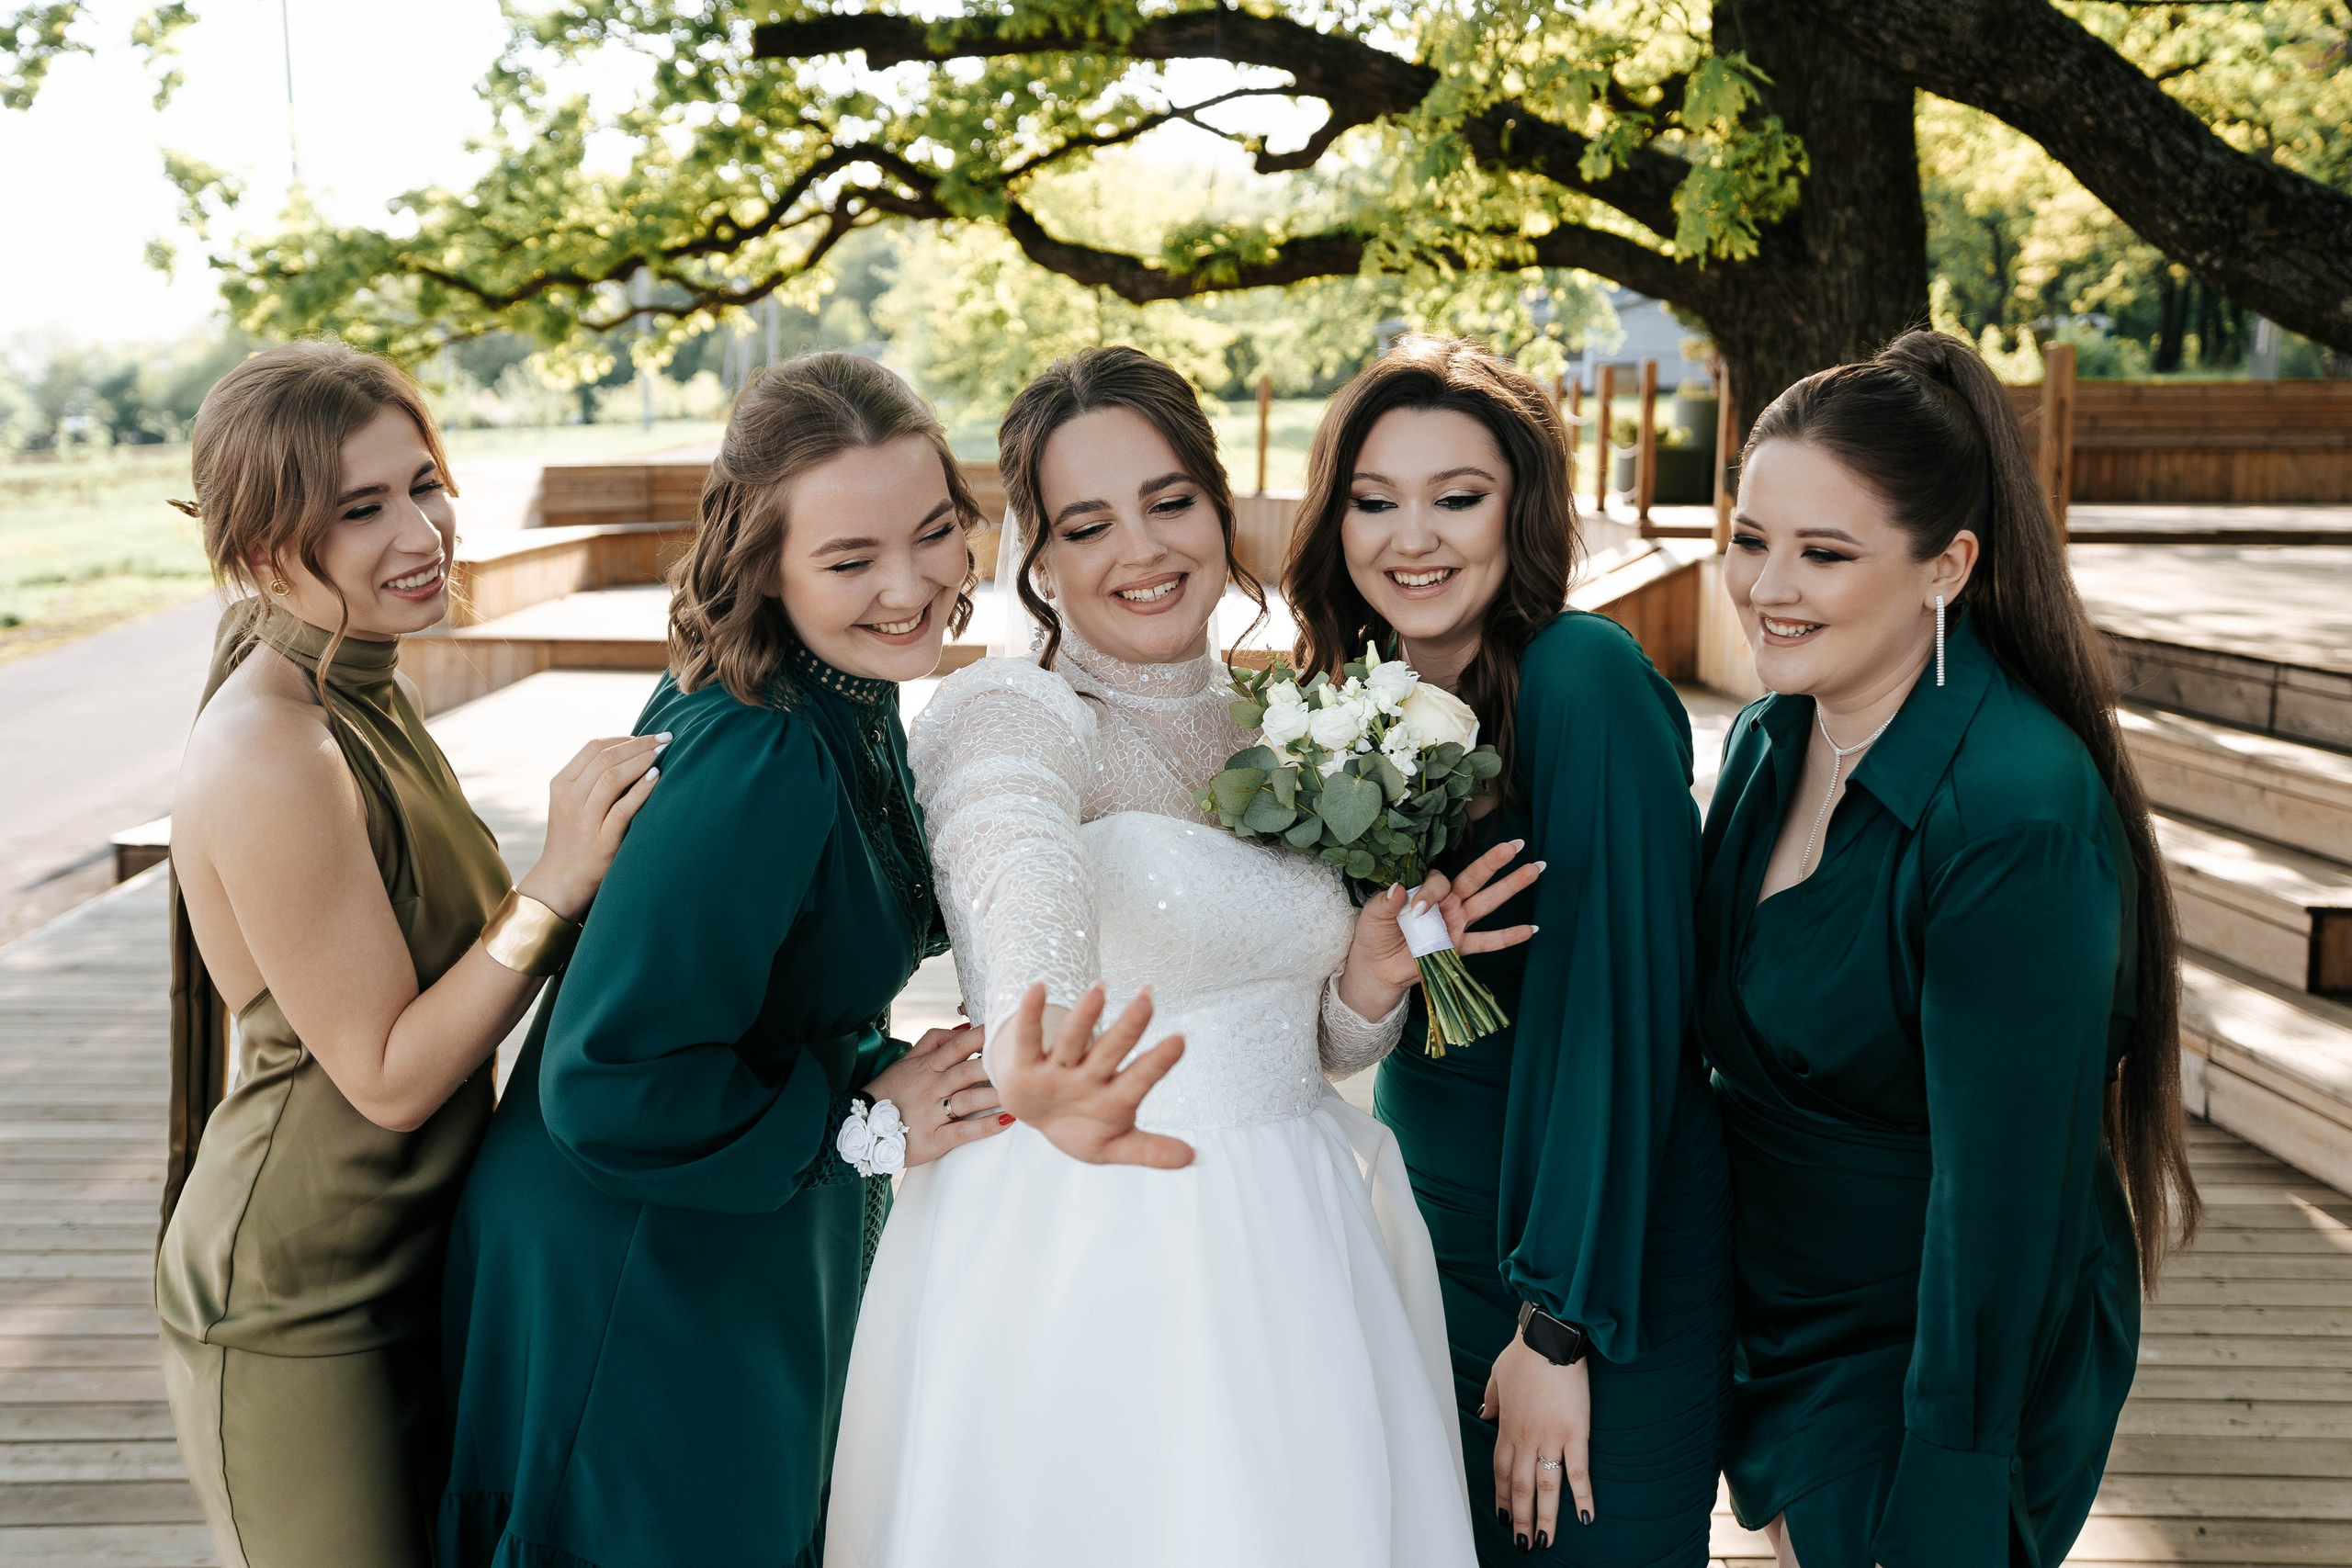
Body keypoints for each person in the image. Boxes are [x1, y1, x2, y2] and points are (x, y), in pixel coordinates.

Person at [826, 345, 1533, 1568]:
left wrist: (1370, 978)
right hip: (1096, 1236)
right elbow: (1013, 863)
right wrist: (1036, 1043)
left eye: (1170, 502)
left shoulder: (1284, 723)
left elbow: (1315, 1042)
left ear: (1219, 504)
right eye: (1088, 524)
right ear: (1037, 559)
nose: (1142, 551)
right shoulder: (1013, 713)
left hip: (1303, 1235)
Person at [436, 353, 1090, 1568]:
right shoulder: (764, 753)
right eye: (850, 561)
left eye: (934, 532)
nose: (910, 586)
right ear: (765, 563)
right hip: (636, 1265)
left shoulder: (839, 691)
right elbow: (614, 1077)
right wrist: (860, 1111)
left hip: (721, 1221)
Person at [1695, 330, 2199, 1568]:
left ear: (1947, 566)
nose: (1767, 586)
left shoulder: (2015, 816)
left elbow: (2003, 1206)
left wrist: (1954, 1481)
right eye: (1751, 538)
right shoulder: (1769, 742)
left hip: (1945, 1355)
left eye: (1824, 553)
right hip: (1779, 1316)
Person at [156, 340, 661, 1568]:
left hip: (419, 1259)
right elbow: (386, 1076)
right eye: (362, 508)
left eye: (424, 482)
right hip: (296, 1306)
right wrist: (553, 880)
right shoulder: (277, 747)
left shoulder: (359, 689)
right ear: (271, 549)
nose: (424, 529)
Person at [1284, 334, 1734, 1564]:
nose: (1410, 538)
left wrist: (1557, 1326)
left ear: (1519, 508)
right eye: (1375, 502)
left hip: (1595, 1257)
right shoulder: (1341, 701)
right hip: (1427, 1238)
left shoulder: (1581, 679)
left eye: (1457, 498)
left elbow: (1620, 1017)